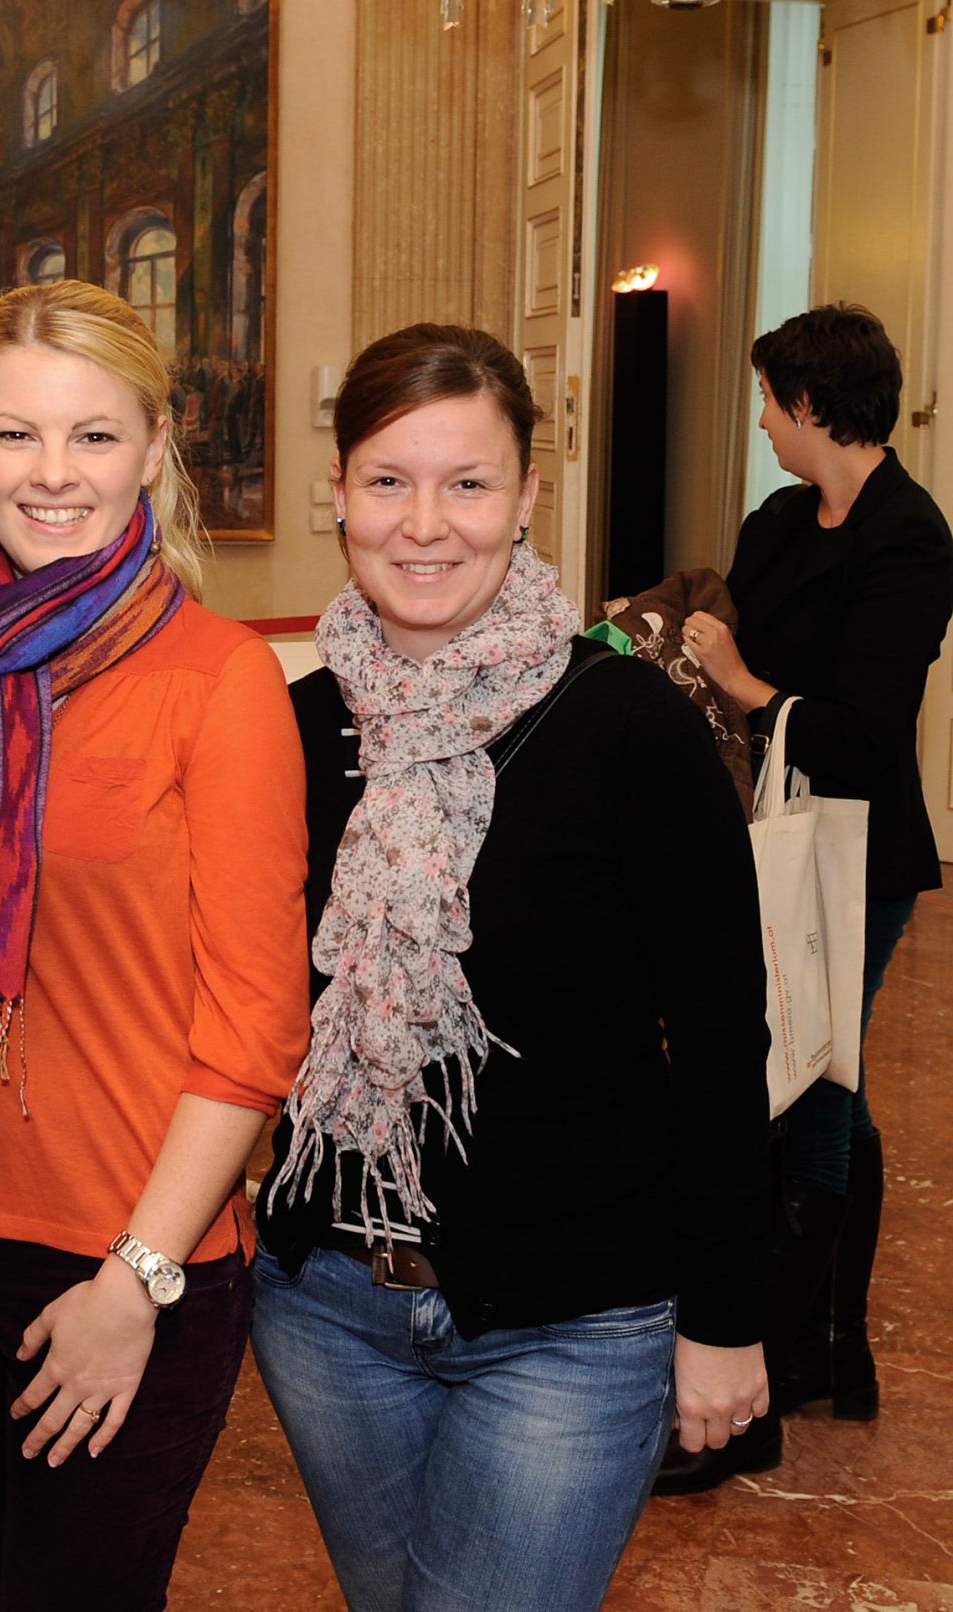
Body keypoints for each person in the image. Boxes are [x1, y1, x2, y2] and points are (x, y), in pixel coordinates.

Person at [250, 324, 772, 1611]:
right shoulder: (290, 728)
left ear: (528, 495)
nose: (425, 523)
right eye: (387, 480)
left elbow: (721, 1041)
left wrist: (723, 1314)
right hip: (327, 1313)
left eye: (468, 483)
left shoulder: (628, 726)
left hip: (572, 1324)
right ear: (337, 491)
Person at [0, 279, 309, 1612]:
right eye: (16, 433)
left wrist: (136, 1282)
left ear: (154, 449)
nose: (52, 473)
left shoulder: (217, 680)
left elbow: (257, 1027)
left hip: (116, 1253)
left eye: (93, 436)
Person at [658, 303, 953, 1491]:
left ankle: (770, 1376)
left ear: (814, 405)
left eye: (771, 402)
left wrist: (743, 685)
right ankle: (827, 1347)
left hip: (854, 853)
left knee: (809, 1089)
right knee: (824, 1073)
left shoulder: (908, 539)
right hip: (766, 840)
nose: (761, 423)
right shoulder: (777, 520)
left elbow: (866, 735)